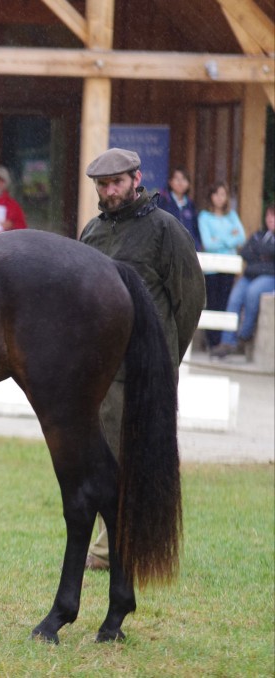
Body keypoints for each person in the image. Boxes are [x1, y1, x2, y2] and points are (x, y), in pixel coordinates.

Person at [78, 148, 205, 571]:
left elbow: (189, 300)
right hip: (103, 372)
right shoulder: (92, 233)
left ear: (137, 178)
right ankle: (109, 543)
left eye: (116, 182)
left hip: (149, 371)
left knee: (144, 458)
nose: (109, 191)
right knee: (105, 457)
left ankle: (126, 547)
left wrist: (167, 357)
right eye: (102, 184)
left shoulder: (165, 229)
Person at [212, 204, 275, 358]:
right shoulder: (258, 235)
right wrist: (265, 258)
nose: (270, 219)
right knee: (235, 298)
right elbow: (246, 252)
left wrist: (261, 257)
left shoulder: (260, 240)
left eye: (273, 216)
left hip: (269, 277)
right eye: (268, 215)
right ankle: (227, 342)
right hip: (250, 275)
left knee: (252, 293)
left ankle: (244, 335)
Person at [198, 182, 246, 349]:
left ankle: (222, 344)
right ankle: (212, 342)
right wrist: (228, 239)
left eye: (223, 194)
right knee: (213, 302)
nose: (220, 198)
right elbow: (208, 243)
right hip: (211, 267)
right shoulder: (204, 216)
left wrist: (219, 239)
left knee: (225, 302)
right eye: (217, 194)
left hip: (229, 266)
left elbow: (241, 237)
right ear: (211, 196)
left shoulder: (231, 215)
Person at [157, 167, 201, 250]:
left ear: (188, 183)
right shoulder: (163, 202)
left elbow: (195, 230)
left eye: (184, 179)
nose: (180, 182)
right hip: (167, 250)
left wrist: (196, 246)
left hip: (187, 250)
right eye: (177, 179)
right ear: (170, 182)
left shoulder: (191, 205)